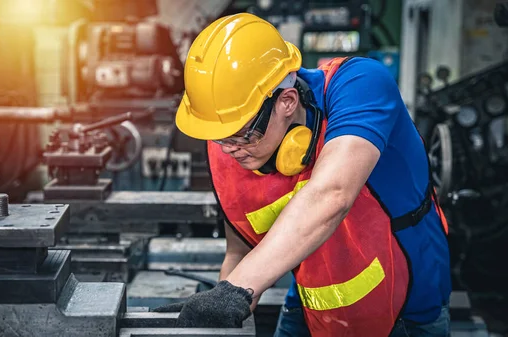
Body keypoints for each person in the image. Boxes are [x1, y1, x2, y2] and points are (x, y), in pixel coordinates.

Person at [154, 12, 452, 337]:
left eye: (242, 134)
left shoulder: (360, 86)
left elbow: (332, 194)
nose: (229, 150)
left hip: (405, 311)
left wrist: (238, 288)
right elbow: (239, 253)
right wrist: (217, 312)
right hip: (313, 305)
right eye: (219, 136)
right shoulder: (229, 145)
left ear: (286, 100)